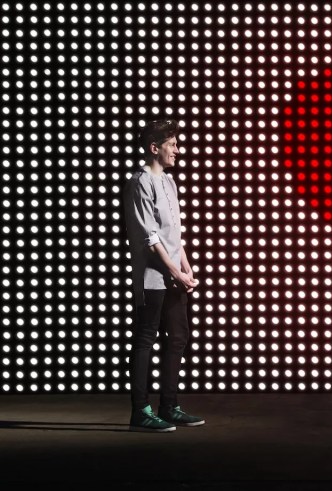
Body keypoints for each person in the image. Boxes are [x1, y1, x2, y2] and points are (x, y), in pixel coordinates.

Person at [122, 119, 204, 432]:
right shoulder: (139, 182)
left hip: (173, 275)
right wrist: (175, 272)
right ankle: (140, 411)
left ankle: (169, 406)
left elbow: (175, 233)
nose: (177, 151)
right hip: (153, 278)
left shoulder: (169, 182)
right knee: (146, 338)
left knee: (178, 337)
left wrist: (185, 265)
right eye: (172, 145)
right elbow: (150, 237)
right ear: (154, 148)